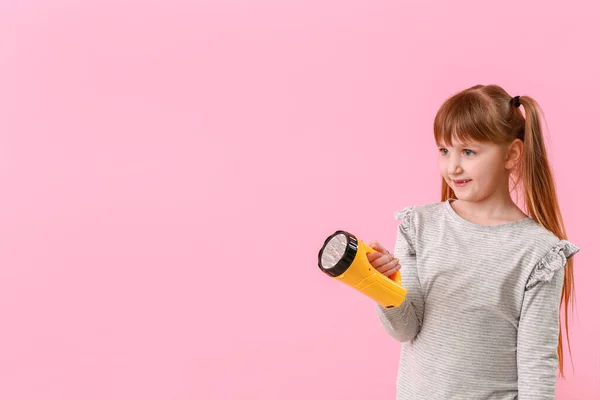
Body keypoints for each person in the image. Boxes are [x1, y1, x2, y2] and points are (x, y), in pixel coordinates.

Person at [368, 84, 580, 399]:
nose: (452, 167)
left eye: (468, 151)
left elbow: (537, 362)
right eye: (444, 150)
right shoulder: (418, 227)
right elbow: (405, 329)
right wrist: (384, 287)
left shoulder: (539, 253)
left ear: (512, 154)